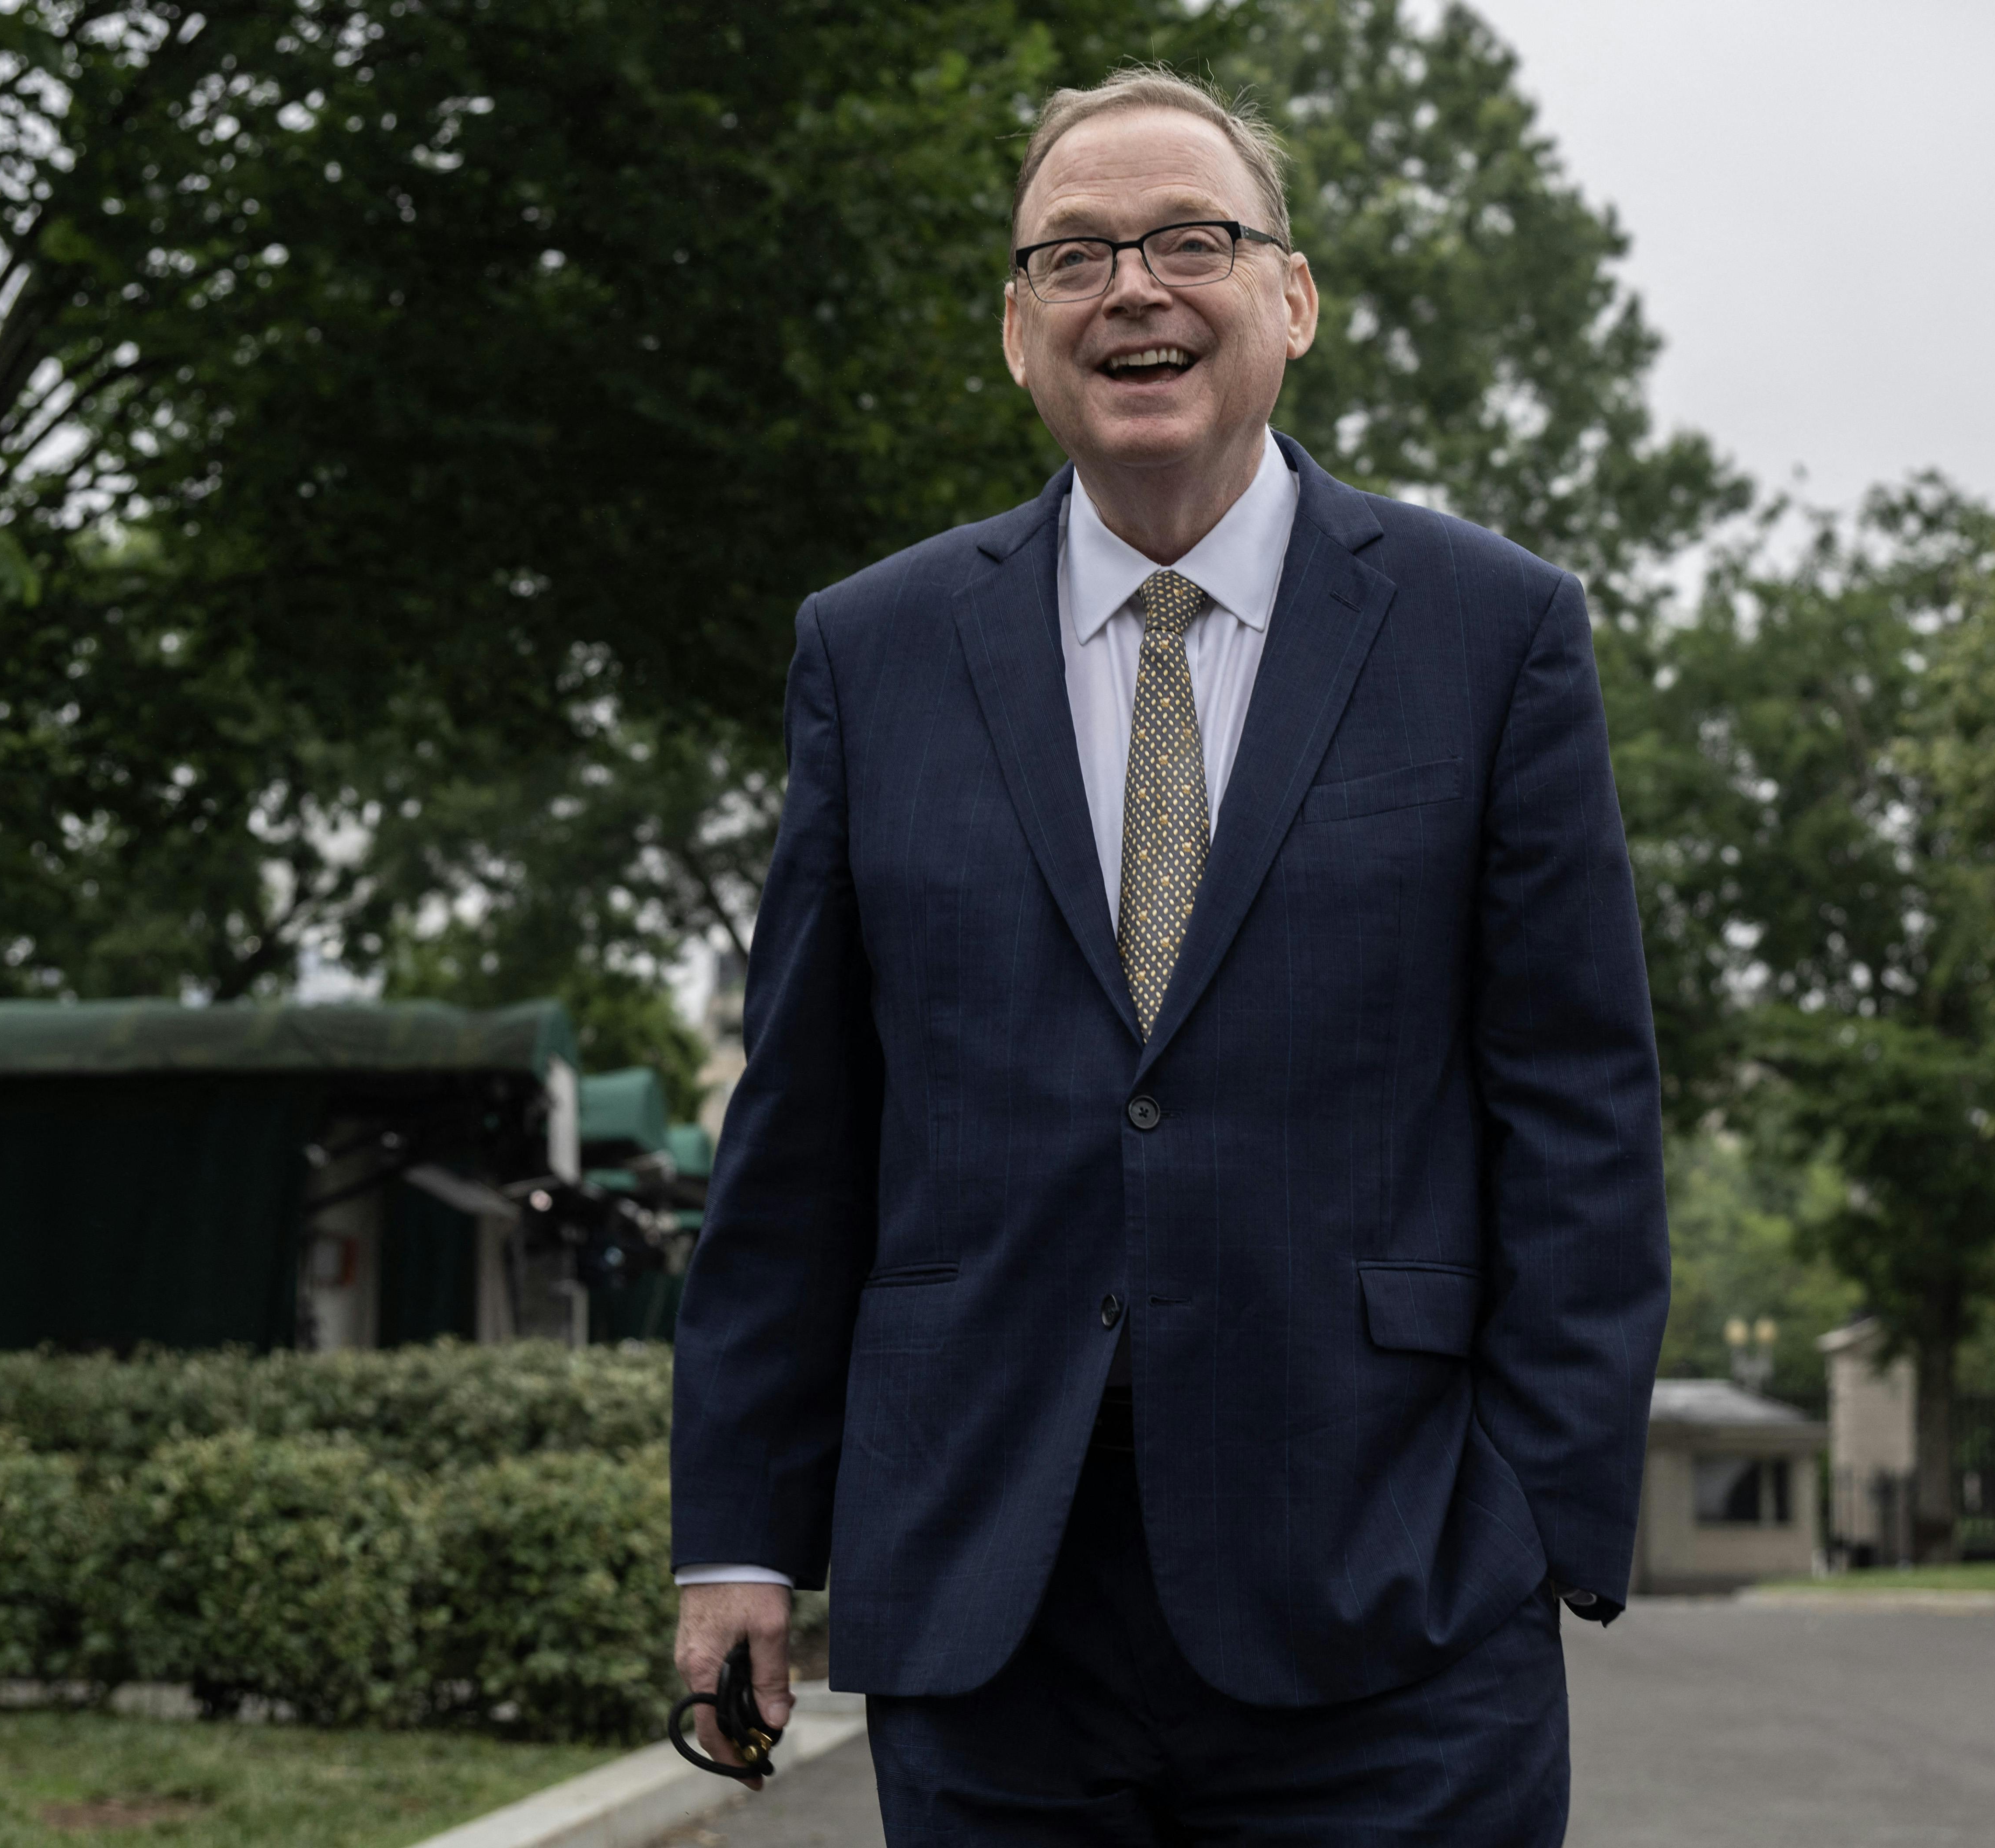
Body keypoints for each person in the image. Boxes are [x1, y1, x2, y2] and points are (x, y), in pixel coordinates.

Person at [670, 65, 1669, 1845]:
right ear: (1015, 330)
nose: (1132, 287)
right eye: (1073, 255)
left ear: (1291, 298)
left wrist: (1539, 1517)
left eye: (1189, 240)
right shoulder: (871, 651)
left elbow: (1578, 1104)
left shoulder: (1491, 633)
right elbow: (801, 1128)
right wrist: (743, 1531)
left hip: (1395, 1598)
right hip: (992, 1596)